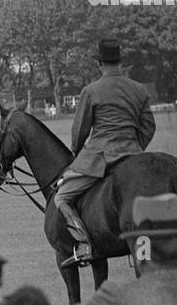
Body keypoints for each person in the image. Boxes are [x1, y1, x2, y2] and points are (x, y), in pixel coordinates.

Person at [54, 38, 156, 267]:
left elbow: (80, 130)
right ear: (120, 62)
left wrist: (76, 154)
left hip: (98, 158)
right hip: (132, 155)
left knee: (61, 197)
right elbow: (149, 126)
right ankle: (147, 252)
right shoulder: (139, 89)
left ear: (100, 64)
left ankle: (83, 245)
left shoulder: (91, 90)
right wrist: (135, 148)